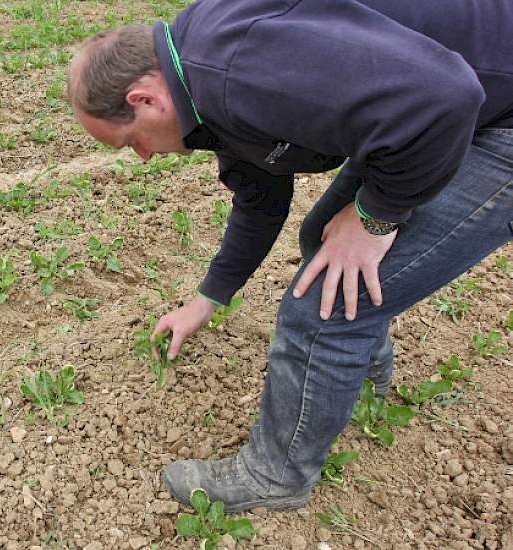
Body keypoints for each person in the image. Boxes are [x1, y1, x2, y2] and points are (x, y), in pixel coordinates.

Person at [68, 0, 513, 513]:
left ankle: (275, 475)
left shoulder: (240, 72)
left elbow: (448, 98)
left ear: (143, 98)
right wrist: (207, 299)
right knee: (322, 243)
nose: (144, 157)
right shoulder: (198, 72)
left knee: (319, 309)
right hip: (459, 100)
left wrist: (376, 217)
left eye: (130, 143)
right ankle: (360, 372)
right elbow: (260, 194)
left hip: (489, 116)